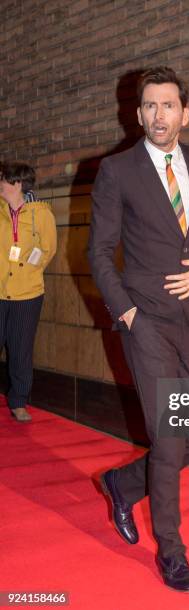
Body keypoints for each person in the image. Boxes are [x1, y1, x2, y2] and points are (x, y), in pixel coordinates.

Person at [88, 66, 189, 592]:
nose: (159, 115)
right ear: (138, 114)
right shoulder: (117, 170)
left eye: (168, 105)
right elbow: (99, 251)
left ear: (185, 113)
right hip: (144, 320)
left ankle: (123, 483)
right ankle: (172, 552)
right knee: (170, 434)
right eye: (150, 106)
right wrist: (126, 311)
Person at [0, 162, 57, 422]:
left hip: (27, 294)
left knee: (21, 350)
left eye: (4, 180)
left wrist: (28, 272)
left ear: (18, 184)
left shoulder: (41, 213)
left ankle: (19, 401)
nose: (0, 184)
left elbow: (48, 250)